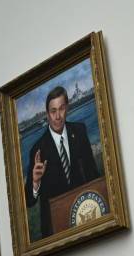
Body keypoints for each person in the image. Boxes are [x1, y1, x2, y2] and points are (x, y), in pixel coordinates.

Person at [24, 86, 99, 238]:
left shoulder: (79, 131)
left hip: (85, 218)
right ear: (47, 114)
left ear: (67, 109)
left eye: (61, 109)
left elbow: (93, 174)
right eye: (53, 111)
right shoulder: (37, 149)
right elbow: (29, 201)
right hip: (55, 231)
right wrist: (35, 182)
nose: (57, 116)